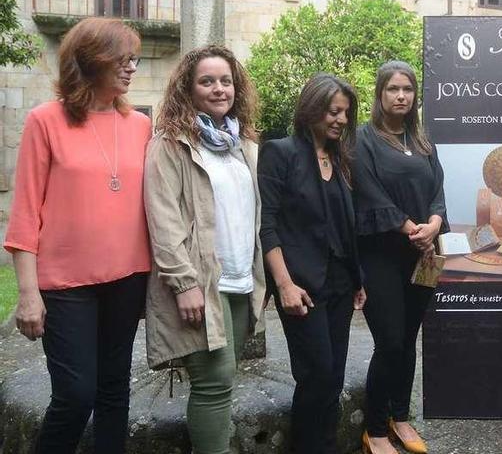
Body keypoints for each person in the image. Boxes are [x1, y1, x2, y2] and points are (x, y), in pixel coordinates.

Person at [4, 17, 151, 454]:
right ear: (89, 62)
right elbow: (25, 213)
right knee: (75, 394)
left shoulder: (140, 125)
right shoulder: (44, 121)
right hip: (65, 286)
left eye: (134, 60)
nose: (130, 68)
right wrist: (28, 293)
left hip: (127, 278)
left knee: (114, 390)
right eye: (121, 59)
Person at [143, 45, 266, 454]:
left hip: (238, 279)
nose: (219, 89)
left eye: (226, 81)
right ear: (188, 89)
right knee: (214, 381)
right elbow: (163, 221)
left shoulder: (243, 144)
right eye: (207, 81)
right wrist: (183, 284)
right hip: (199, 282)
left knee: (224, 379)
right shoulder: (170, 144)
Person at [258, 73, 367, 453]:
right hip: (302, 286)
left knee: (333, 379)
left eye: (345, 114)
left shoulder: (341, 160)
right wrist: (284, 284)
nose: (340, 120)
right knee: (316, 375)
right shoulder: (280, 152)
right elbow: (267, 225)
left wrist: (358, 279)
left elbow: (344, 226)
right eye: (333, 111)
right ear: (312, 109)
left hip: (339, 283)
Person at [354, 61, 448, 454]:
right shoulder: (364, 139)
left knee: (409, 340)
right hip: (381, 258)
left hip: (423, 256)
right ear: (380, 94)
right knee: (389, 342)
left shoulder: (424, 141)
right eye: (393, 89)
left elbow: (438, 190)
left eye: (407, 89)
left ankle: (401, 417)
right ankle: (375, 429)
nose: (401, 96)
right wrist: (410, 227)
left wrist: (433, 223)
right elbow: (369, 193)